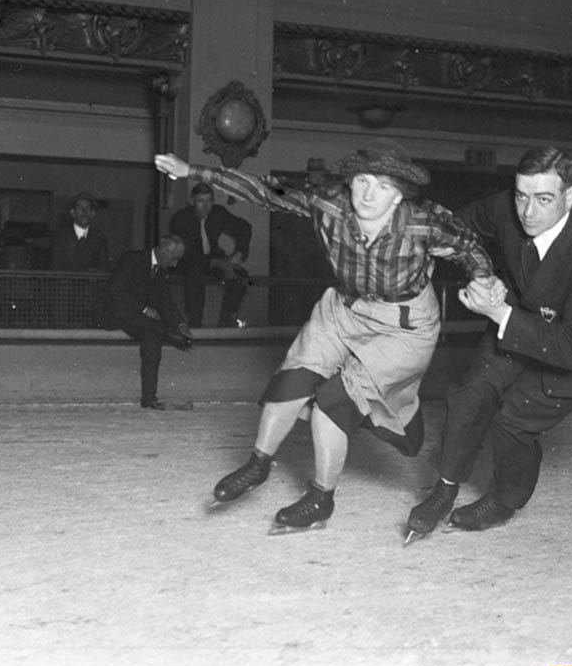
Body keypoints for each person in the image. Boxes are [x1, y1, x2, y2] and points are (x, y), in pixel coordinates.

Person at [154, 143, 495, 531]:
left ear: (399, 195)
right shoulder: (329, 204)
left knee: (333, 402)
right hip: (344, 308)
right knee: (293, 378)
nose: (368, 194)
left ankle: (321, 498)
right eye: (362, 181)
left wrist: (485, 279)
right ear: (350, 183)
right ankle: (258, 463)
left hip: (404, 325)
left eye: (383, 186)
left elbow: (469, 247)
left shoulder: (423, 222)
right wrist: (193, 171)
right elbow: (267, 190)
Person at [405, 146, 572, 539]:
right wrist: (480, 272)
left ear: (569, 197)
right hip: (521, 317)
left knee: (511, 418)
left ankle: (504, 500)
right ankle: (445, 487)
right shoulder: (506, 207)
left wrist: (498, 312)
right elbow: (456, 227)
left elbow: (571, 347)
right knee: (471, 393)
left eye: (544, 199)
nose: (528, 211)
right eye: (521, 195)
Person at [97, 234, 194, 411]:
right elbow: (116, 290)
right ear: (164, 251)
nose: (175, 264)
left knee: (152, 337)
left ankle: (149, 398)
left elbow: (166, 302)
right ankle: (170, 336)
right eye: (174, 258)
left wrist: (180, 324)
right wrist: (144, 308)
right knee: (130, 312)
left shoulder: (161, 271)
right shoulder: (132, 259)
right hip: (113, 314)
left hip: (137, 320)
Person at [169, 182, 252, 328]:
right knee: (194, 276)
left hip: (213, 257)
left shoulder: (218, 213)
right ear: (192, 201)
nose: (205, 206)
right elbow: (186, 252)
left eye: (209, 201)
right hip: (188, 261)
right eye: (201, 201)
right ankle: (194, 324)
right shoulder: (181, 218)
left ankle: (227, 320)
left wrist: (239, 252)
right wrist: (218, 263)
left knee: (240, 275)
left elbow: (244, 227)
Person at [50, 192, 112, 272]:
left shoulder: (99, 238)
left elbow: (104, 268)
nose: (84, 211)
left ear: (92, 213)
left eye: (88, 208)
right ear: (73, 213)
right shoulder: (61, 237)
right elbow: (55, 268)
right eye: (80, 207)